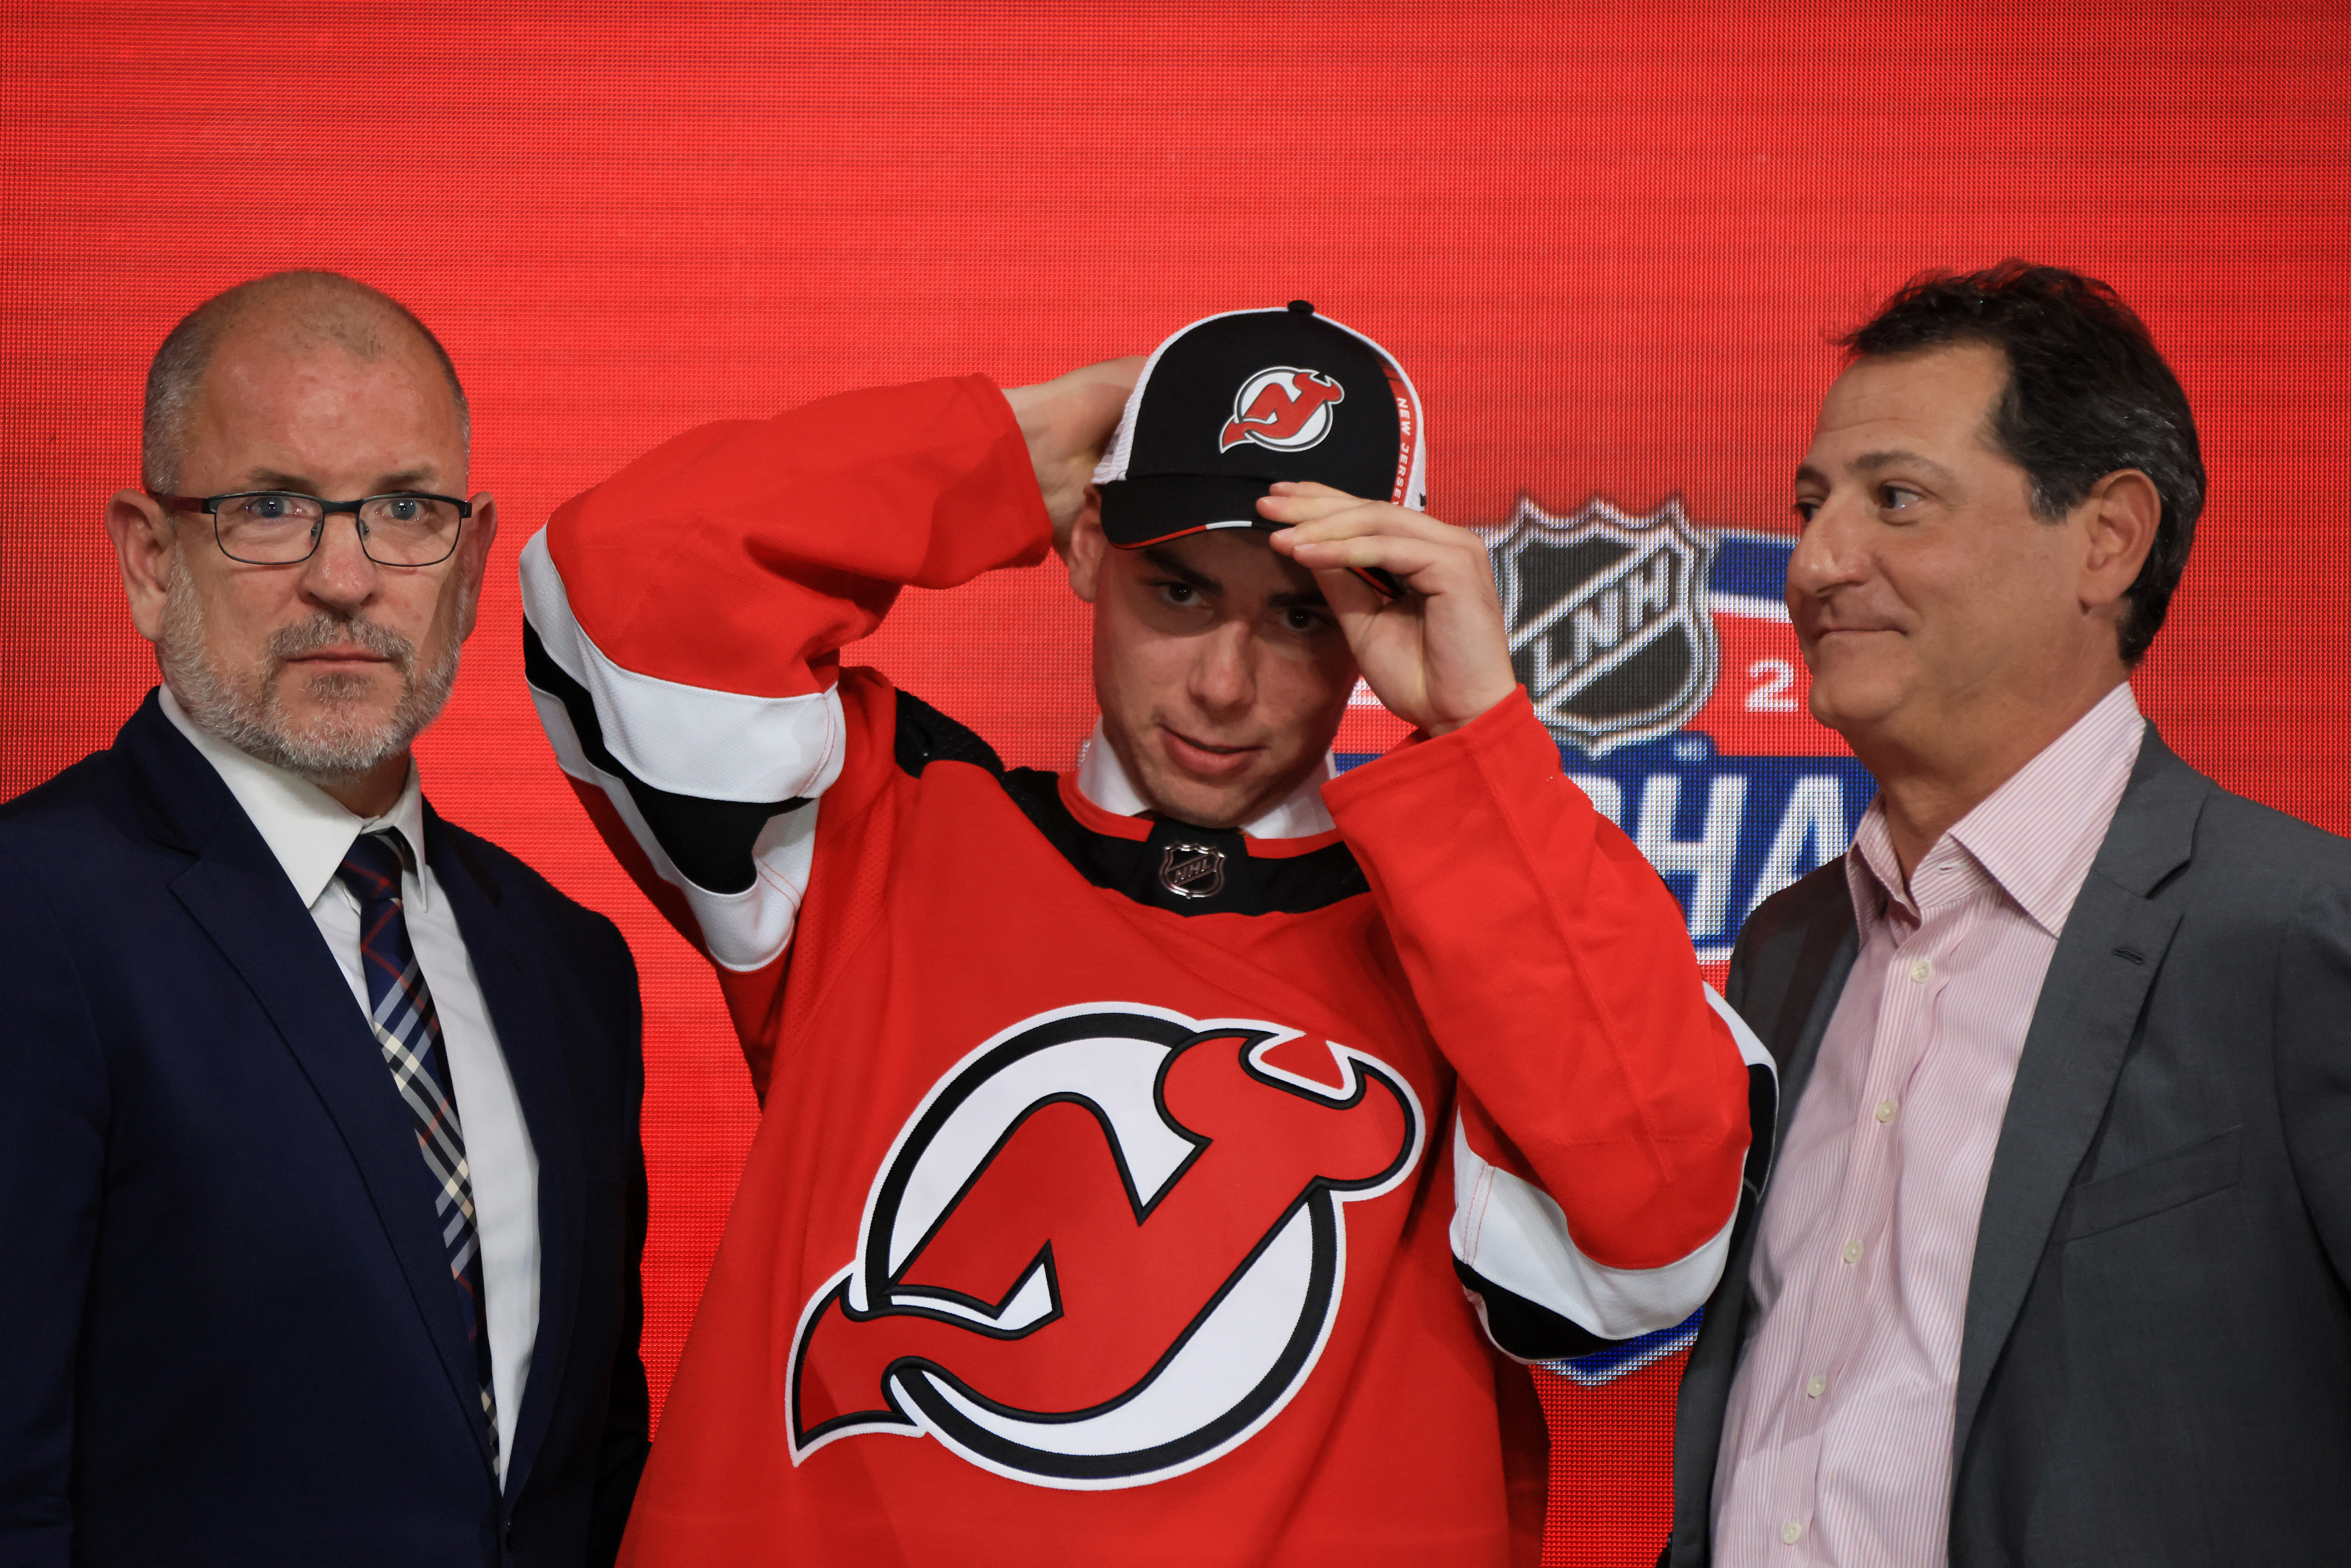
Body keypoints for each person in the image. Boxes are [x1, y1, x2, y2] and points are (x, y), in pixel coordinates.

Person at [520, 301, 1766, 1567]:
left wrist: (1474, 732)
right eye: (1178, 589)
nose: (1224, 685)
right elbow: (609, 585)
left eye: (1300, 617)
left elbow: (1655, 1238)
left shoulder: (1474, 925)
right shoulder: (870, 836)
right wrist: (1009, 452)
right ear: (1083, 543)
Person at [1663, 262, 2351, 1566]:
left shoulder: (2295, 933)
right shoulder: (1784, 950)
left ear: (2105, 539)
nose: (1813, 562)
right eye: (1808, 505)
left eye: (1893, 500)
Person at [0, 270, 651, 1567]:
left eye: (404, 509)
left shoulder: (571, 961)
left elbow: (593, 1467)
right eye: (272, 508)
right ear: (147, 553)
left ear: (468, 570)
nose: (344, 577)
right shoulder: (33, 916)